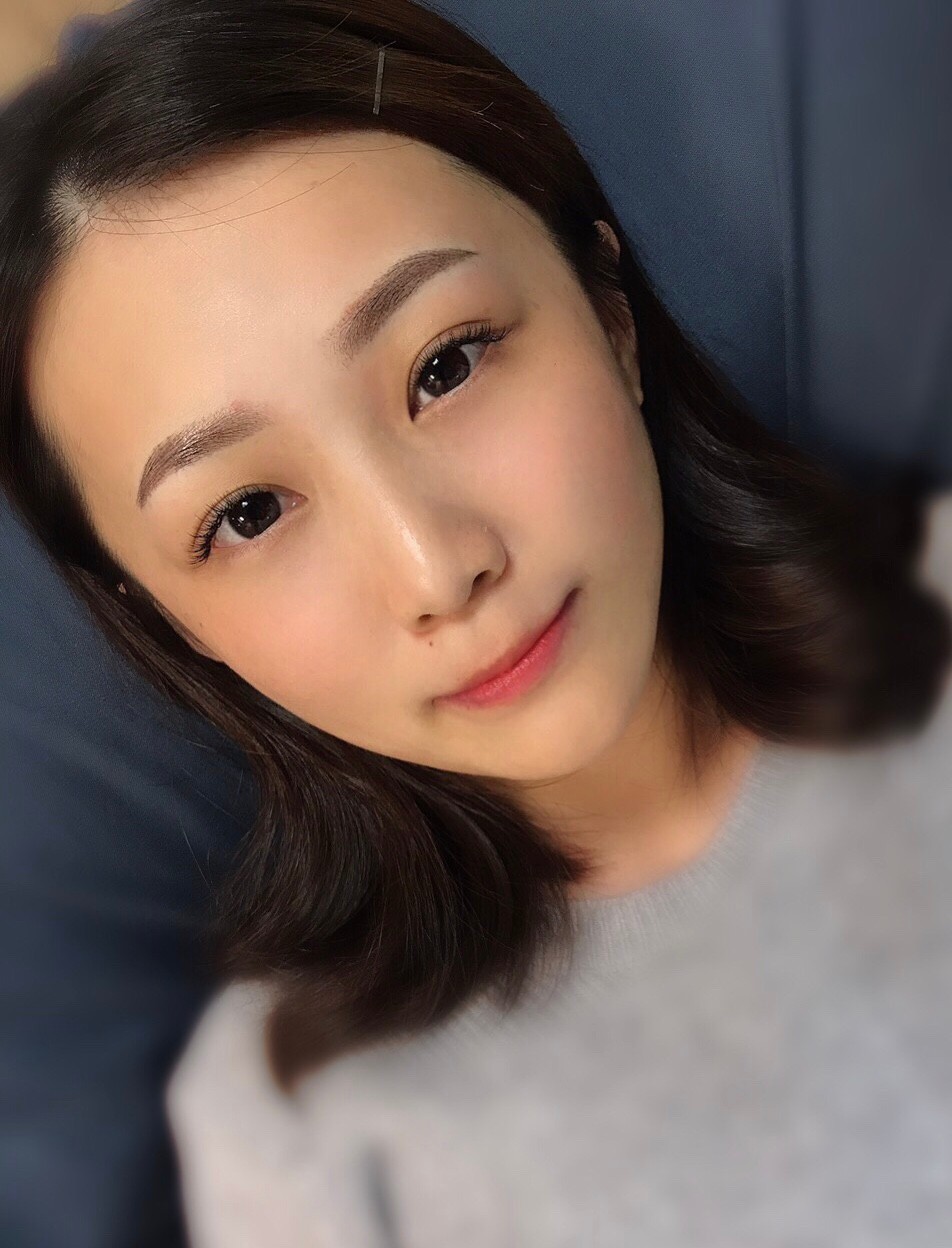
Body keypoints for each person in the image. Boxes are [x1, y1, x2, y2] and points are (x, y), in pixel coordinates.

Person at [1, 0, 950, 1244]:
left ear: (607, 308)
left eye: (444, 365)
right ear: (173, 622)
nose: (436, 569)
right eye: (246, 513)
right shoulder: (296, 1126)